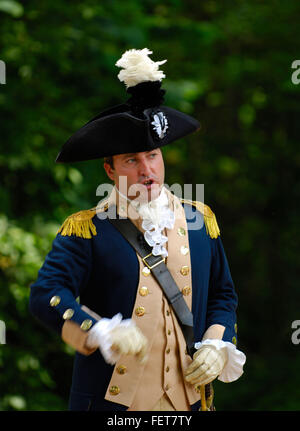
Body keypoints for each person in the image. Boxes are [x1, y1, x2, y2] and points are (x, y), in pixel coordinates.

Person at [29, 48, 246, 411]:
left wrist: (216, 344)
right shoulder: (87, 230)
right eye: (132, 160)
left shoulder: (199, 220)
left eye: (153, 156)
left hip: (187, 404)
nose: (147, 171)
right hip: (112, 404)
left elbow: (224, 296)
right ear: (110, 170)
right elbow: (45, 296)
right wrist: (96, 330)